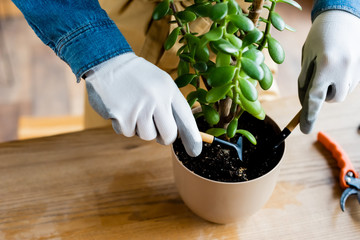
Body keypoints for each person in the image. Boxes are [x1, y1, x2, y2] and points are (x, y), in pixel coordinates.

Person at [10, 0, 360, 157]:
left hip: (243, 22)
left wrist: (342, 10)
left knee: (247, 111)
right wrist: (101, 56)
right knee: (118, 145)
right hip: (129, 25)